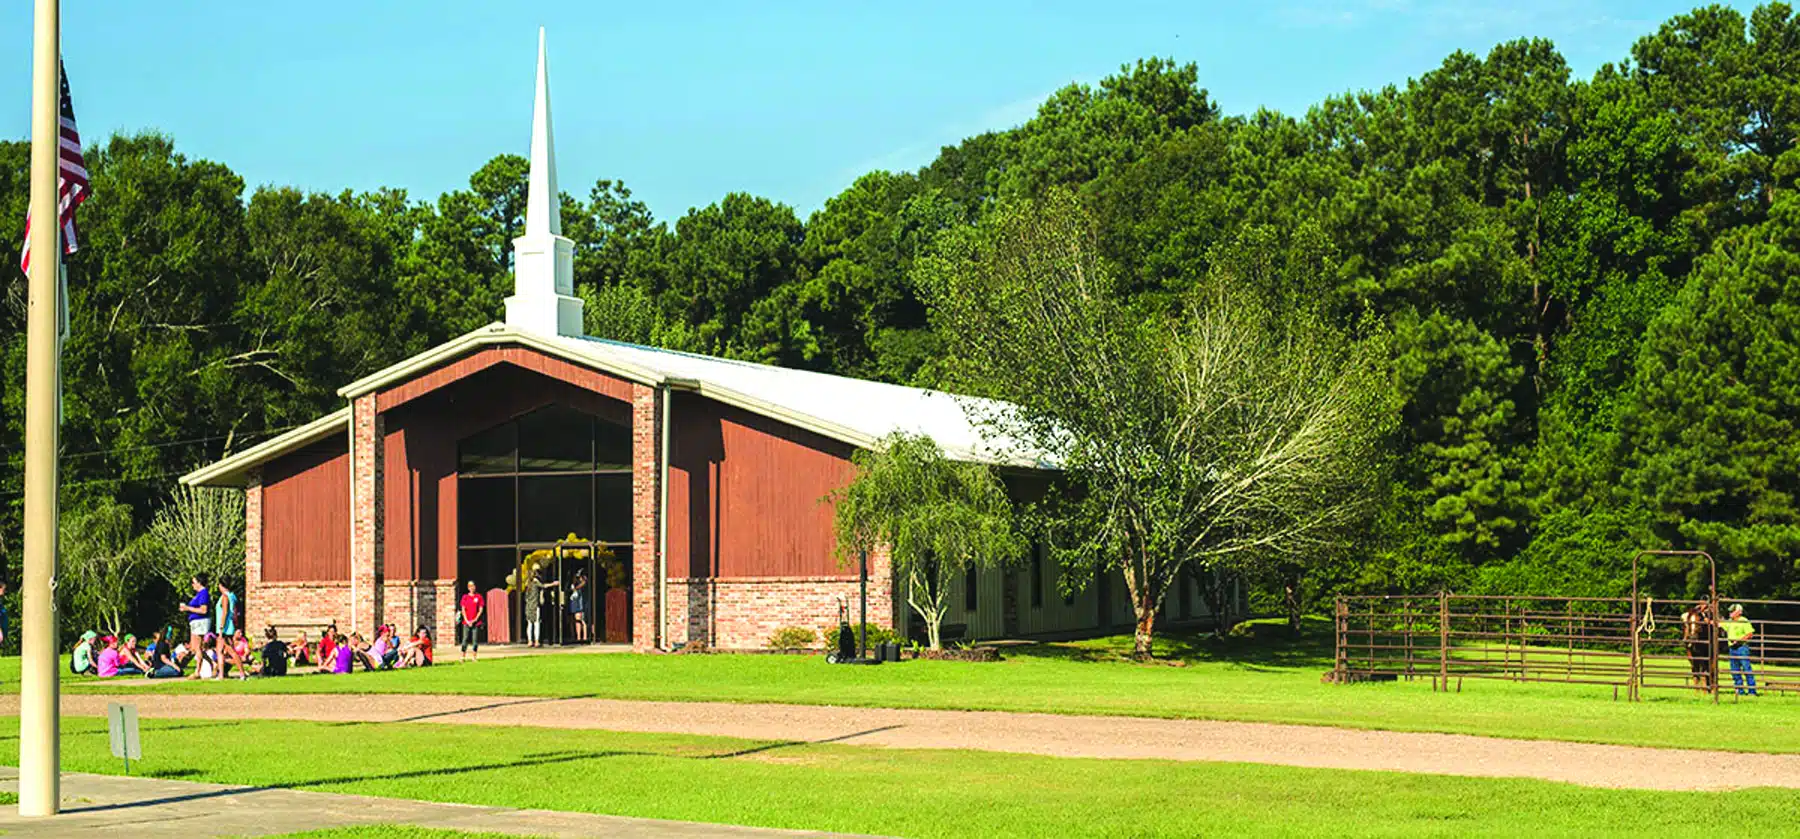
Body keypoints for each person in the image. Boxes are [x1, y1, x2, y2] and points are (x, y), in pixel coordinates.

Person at [1721, 603, 1758, 696]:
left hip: (1741, 647)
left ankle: (1752, 691)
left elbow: (1750, 634)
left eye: (1732, 611)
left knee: (1746, 668)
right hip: (1732, 648)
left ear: (1738, 612)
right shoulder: (1729, 622)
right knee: (1735, 670)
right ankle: (1740, 690)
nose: (1730, 613)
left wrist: (1739, 641)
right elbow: (1718, 624)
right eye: (1730, 611)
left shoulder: (1744, 621)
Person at [1681, 601, 1717, 690]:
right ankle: (1688, 640)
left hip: (1705, 636)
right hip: (1695, 633)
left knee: (1708, 662)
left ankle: (1708, 683)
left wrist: (1708, 620)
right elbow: (1686, 616)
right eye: (1701, 603)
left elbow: (1716, 621)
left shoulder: (1710, 611)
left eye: (1704, 603)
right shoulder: (1696, 610)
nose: (1702, 605)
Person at [524, 567, 559, 648]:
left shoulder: (527, 584)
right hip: (535, 606)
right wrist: (553, 584)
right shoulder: (535, 582)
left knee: (529, 624)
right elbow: (544, 586)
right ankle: (536, 641)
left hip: (528, 606)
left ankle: (530, 641)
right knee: (536, 623)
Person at [179, 574, 212, 650]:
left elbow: (203, 610)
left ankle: (200, 662)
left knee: (197, 648)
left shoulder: (203, 593)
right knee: (195, 648)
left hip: (200, 621)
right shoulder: (199, 594)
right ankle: (212, 662)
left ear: (199, 583)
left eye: (193, 582)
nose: (192, 585)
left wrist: (188, 608)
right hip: (196, 622)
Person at [459, 580, 485, 662]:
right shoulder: (465, 597)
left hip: (476, 622)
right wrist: (466, 620)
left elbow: (480, 610)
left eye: (473, 586)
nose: (472, 588)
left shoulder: (479, 597)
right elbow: (463, 609)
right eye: (470, 586)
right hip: (466, 622)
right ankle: (463, 656)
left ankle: (474, 657)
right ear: (468, 588)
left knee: (475, 640)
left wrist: (475, 620)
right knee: (465, 639)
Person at [568, 568, 589, 643]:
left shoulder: (584, 582)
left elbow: (583, 583)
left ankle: (585, 637)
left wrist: (575, 587)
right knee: (576, 620)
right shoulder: (573, 583)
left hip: (581, 603)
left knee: (582, 620)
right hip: (575, 603)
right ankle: (578, 637)